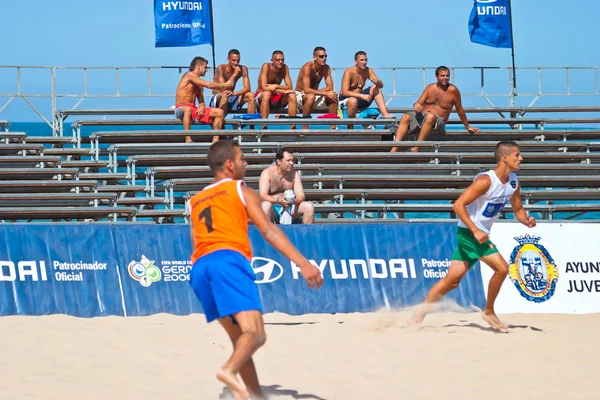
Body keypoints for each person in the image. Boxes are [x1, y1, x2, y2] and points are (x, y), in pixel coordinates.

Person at [187, 140, 323, 400]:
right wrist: (303, 263)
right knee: (257, 334)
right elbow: (269, 230)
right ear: (229, 165)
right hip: (228, 261)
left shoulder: (197, 199)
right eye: (241, 159)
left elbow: (195, 241)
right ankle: (228, 370)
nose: (245, 163)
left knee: (242, 341)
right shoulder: (240, 189)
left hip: (200, 268)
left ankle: (255, 395)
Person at [409, 141, 536, 331]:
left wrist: (526, 220)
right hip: (470, 233)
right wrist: (475, 230)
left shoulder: (513, 181)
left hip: (477, 234)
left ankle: (417, 315)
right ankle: (488, 311)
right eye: (517, 155)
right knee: (502, 269)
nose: (521, 158)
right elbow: (458, 205)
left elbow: (518, 209)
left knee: (451, 281)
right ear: (505, 158)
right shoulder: (486, 180)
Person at [390, 65, 480, 152]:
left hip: (438, 121)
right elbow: (419, 102)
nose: (445, 78)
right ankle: (395, 148)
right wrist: (417, 105)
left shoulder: (453, 90)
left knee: (430, 117)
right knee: (406, 116)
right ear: (437, 77)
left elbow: (459, 109)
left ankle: (416, 148)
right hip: (422, 117)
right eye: (442, 76)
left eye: (447, 76)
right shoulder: (430, 87)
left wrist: (467, 126)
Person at [175, 56, 234, 143]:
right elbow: (209, 85)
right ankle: (188, 139)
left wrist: (202, 107)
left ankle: (215, 141)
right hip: (181, 108)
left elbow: (201, 101)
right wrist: (224, 85)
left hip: (193, 109)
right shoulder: (189, 75)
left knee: (219, 112)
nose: (206, 69)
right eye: (205, 67)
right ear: (198, 67)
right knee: (188, 109)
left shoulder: (199, 84)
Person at [259, 147, 315, 224]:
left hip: (290, 206)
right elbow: (262, 196)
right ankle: (266, 235)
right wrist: (279, 201)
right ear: (279, 161)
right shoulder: (267, 173)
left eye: (292, 160)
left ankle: (305, 235)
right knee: (265, 206)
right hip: (274, 208)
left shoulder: (294, 174)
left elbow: (301, 195)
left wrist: (294, 201)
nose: (291, 163)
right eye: (288, 160)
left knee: (309, 207)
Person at [339, 51, 393, 129]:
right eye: (361, 60)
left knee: (376, 88)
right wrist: (362, 95)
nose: (364, 62)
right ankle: (350, 129)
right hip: (346, 100)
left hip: (360, 99)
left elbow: (381, 85)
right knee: (353, 101)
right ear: (356, 61)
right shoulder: (349, 72)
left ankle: (385, 114)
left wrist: (378, 82)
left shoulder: (368, 70)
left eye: (365, 60)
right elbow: (344, 92)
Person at [295, 46, 338, 129]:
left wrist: (326, 93)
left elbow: (330, 87)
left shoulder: (326, 68)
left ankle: (333, 128)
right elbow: (306, 90)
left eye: (325, 56)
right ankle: (305, 128)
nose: (324, 58)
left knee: (333, 96)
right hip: (300, 95)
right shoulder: (307, 67)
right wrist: (325, 93)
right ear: (314, 57)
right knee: (311, 96)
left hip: (314, 94)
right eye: (321, 56)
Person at [255, 50, 298, 129]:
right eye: (278, 60)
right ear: (272, 61)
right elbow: (264, 87)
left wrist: (275, 85)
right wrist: (283, 91)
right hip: (262, 98)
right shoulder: (266, 66)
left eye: (282, 60)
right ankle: (264, 126)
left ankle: (293, 127)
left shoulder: (285, 68)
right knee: (267, 94)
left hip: (275, 98)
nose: (280, 62)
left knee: (292, 95)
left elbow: (290, 86)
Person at [209, 49, 257, 117]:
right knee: (224, 95)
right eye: (233, 60)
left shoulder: (243, 69)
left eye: (238, 60)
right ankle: (221, 124)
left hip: (232, 95)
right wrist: (234, 74)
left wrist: (235, 93)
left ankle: (251, 126)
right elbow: (223, 89)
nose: (236, 63)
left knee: (251, 95)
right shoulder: (221, 68)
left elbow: (247, 88)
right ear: (228, 59)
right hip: (219, 96)